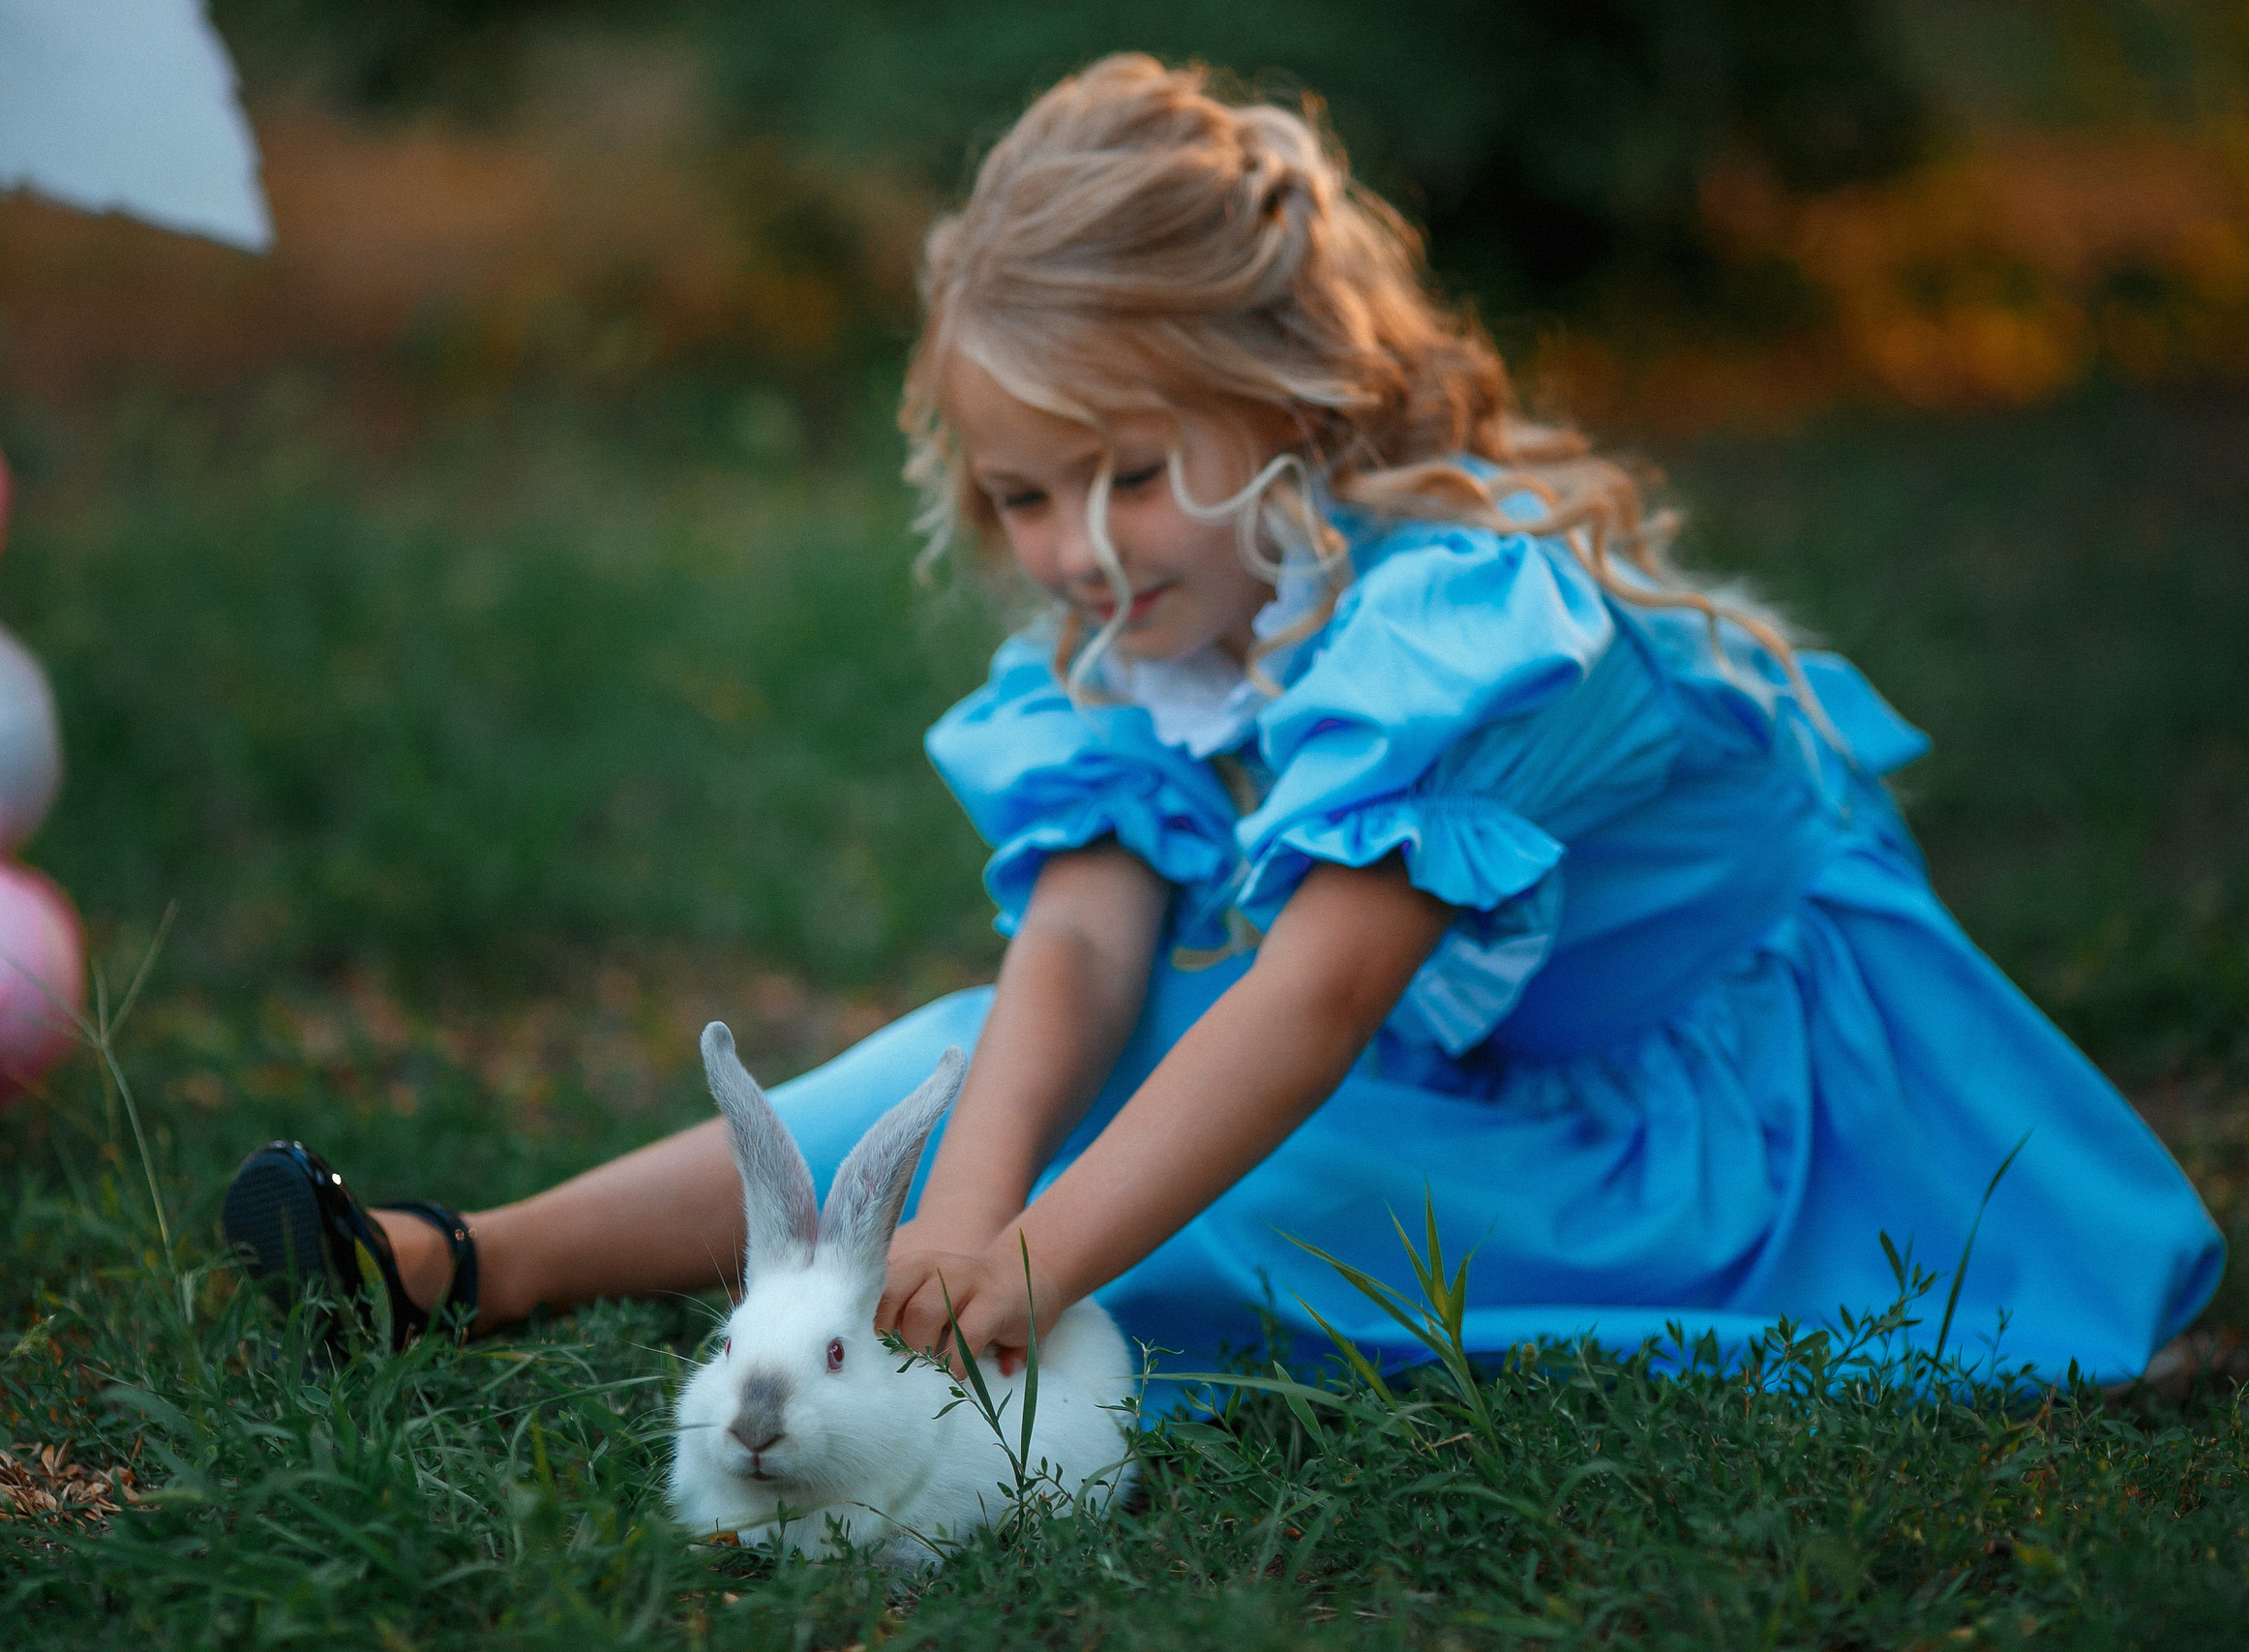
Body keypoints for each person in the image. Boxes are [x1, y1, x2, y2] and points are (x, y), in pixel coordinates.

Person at [224, 54, 2221, 1391]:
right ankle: (451, 1260)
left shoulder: (1463, 620)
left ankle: (887, 1302)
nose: (1074, 551)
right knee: (970, 1055)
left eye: (1125, 473)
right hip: (1498, 1076)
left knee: (1215, 1185)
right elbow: (1083, 940)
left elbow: (1309, 1001)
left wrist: (1039, 1250)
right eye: (1018, 495)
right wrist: (960, 1195)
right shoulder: (1150, 628)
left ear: (1286, 407)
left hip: (1724, 1133)